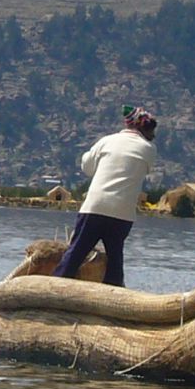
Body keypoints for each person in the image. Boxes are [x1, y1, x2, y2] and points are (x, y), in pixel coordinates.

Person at [52, 105, 158, 288]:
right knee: (115, 260)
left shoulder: (107, 141)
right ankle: (114, 296)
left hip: (95, 207)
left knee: (75, 254)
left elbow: (87, 168)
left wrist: (91, 156)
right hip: (122, 214)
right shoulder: (149, 149)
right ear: (143, 129)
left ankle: (53, 289)